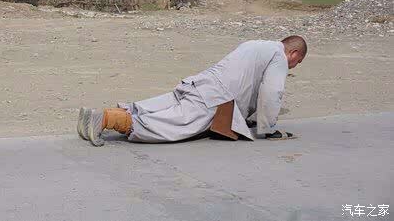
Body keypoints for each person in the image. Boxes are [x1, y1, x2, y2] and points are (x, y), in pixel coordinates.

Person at [77, 36, 307, 146]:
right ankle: (105, 119)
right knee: (170, 125)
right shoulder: (278, 56)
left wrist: (250, 119)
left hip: (201, 83)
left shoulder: (256, 44)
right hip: (215, 96)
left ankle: (93, 116)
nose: (294, 66)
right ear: (294, 53)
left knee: (156, 107)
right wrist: (268, 129)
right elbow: (272, 93)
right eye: (297, 62)